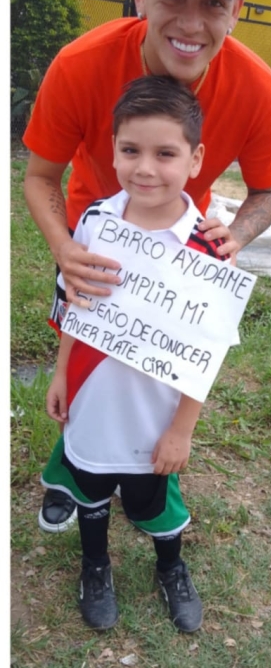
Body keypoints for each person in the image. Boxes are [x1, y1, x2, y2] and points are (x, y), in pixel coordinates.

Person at [24, 0, 271, 532]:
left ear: (237, 11)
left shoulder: (260, 90)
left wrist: (238, 234)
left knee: (158, 373)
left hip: (177, 249)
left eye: (214, 2)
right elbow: (39, 176)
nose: (191, 22)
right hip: (96, 240)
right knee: (87, 362)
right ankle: (72, 468)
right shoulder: (80, 64)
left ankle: (152, 481)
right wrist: (65, 248)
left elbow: (268, 192)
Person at [42, 75, 235, 632]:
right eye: (130, 150)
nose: (145, 168)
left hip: (156, 413)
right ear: (113, 151)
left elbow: (207, 348)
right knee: (92, 487)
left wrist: (183, 429)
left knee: (154, 503)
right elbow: (75, 304)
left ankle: (171, 566)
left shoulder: (206, 248)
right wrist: (61, 373)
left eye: (165, 153)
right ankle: (95, 564)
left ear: (195, 159)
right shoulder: (97, 222)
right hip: (92, 395)